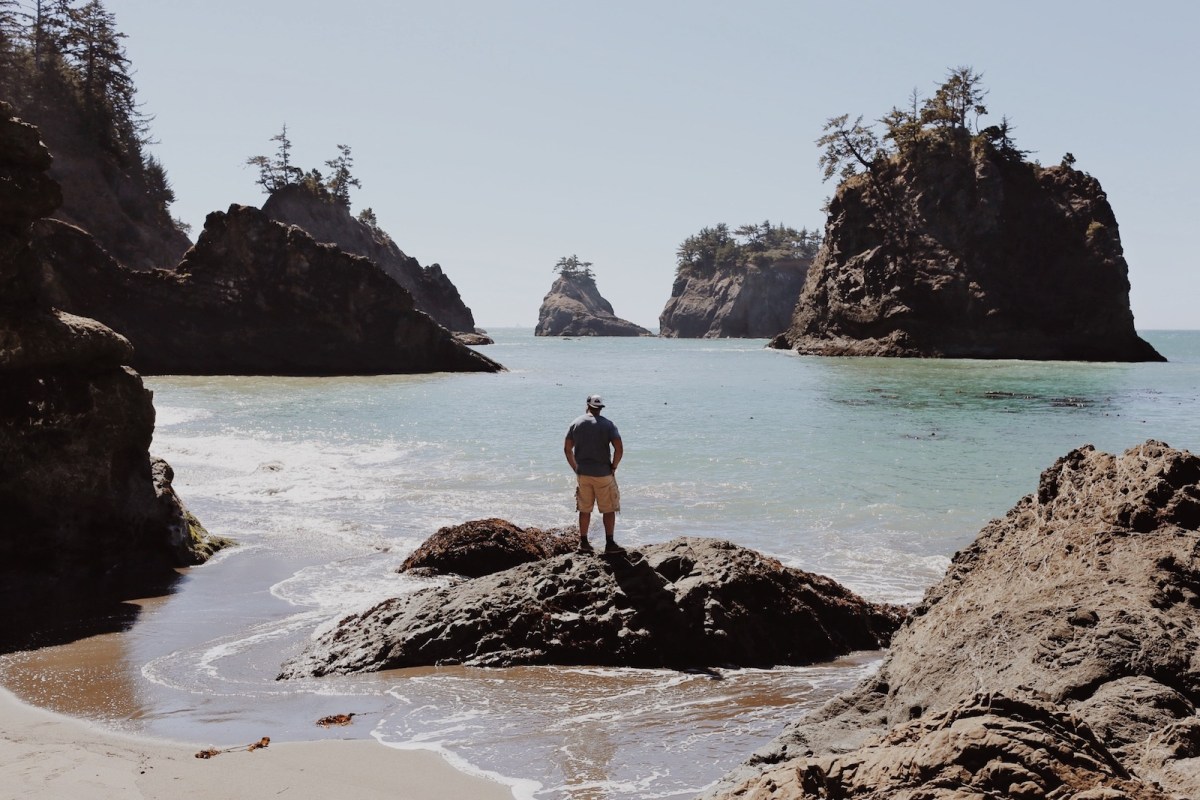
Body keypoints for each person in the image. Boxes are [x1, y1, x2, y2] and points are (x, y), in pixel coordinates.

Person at [564, 394, 623, 553]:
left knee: (584, 509)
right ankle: (609, 544)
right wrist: (613, 467)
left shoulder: (576, 423)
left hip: (583, 474)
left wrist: (575, 467)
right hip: (603, 473)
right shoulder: (609, 425)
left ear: (587, 406)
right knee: (609, 508)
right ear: (600, 408)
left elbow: (567, 449)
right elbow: (619, 448)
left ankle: (583, 542)